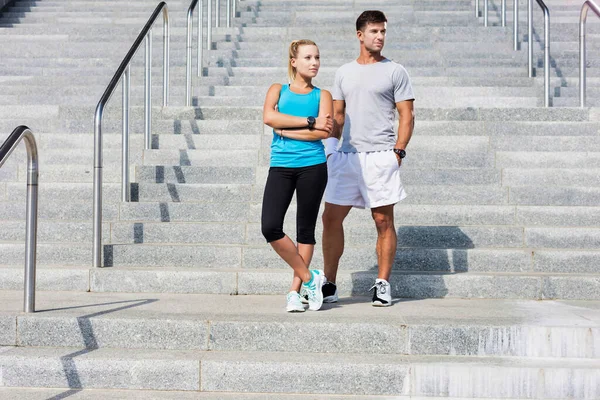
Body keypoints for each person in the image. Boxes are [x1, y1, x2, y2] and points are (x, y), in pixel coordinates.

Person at [321, 10, 415, 307]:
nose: (380, 37)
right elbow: (337, 116)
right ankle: (330, 283)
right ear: (360, 35)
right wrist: (329, 150)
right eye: (374, 31)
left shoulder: (395, 71)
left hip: (380, 155)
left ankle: (383, 284)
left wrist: (398, 151)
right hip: (346, 156)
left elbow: (407, 115)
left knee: (383, 220)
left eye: (383, 31)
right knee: (330, 218)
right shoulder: (344, 72)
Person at [261, 39, 335, 312]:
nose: (314, 62)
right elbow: (269, 117)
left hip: (313, 165)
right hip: (281, 165)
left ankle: (295, 292)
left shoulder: (323, 95)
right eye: (307, 57)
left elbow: (324, 132)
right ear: (294, 61)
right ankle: (309, 277)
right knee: (270, 226)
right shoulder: (277, 90)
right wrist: (308, 121)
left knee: (305, 230)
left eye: (317, 57)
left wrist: (285, 129)